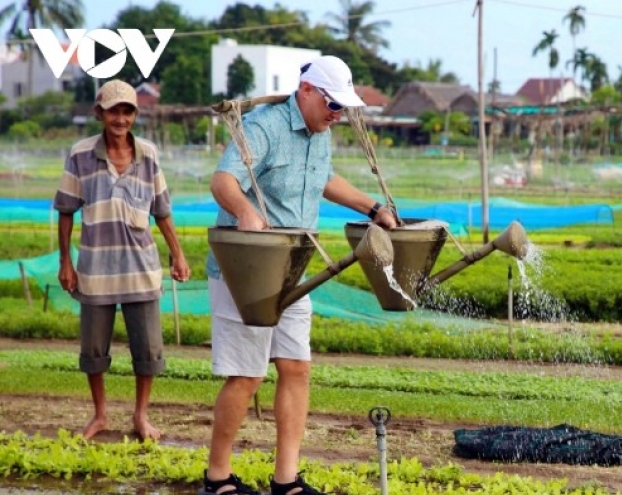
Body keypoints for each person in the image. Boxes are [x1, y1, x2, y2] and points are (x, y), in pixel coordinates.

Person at [201, 55, 398, 495]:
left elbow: (324, 178)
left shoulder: (319, 132)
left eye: (343, 109)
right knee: (247, 375)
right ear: (306, 91)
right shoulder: (265, 127)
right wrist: (246, 213)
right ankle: (217, 478)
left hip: (292, 266)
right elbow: (223, 180)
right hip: (246, 267)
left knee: (296, 368)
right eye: (332, 105)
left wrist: (373, 208)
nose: (337, 115)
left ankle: (285, 480)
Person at [54, 79, 191, 441]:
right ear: (100, 113)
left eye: (127, 110)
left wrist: (178, 255)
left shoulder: (148, 154)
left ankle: (141, 416)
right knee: (93, 349)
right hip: (96, 269)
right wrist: (65, 262)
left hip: (141, 269)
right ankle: (100, 415)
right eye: (113, 110)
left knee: (147, 348)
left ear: (135, 115)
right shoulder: (81, 154)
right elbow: (66, 210)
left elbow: (161, 211)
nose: (120, 118)